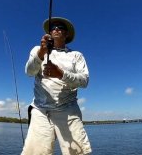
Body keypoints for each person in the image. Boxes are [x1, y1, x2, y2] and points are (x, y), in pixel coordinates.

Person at [21, 17, 92, 155]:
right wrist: (41, 53)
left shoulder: (76, 55)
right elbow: (29, 72)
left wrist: (61, 73)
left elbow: (84, 81)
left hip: (69, 109)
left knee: (77, 152)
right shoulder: (37, 49)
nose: (56, 29)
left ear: (66, 34)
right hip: (40, 110)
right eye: (53, 27)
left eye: (60, 27)